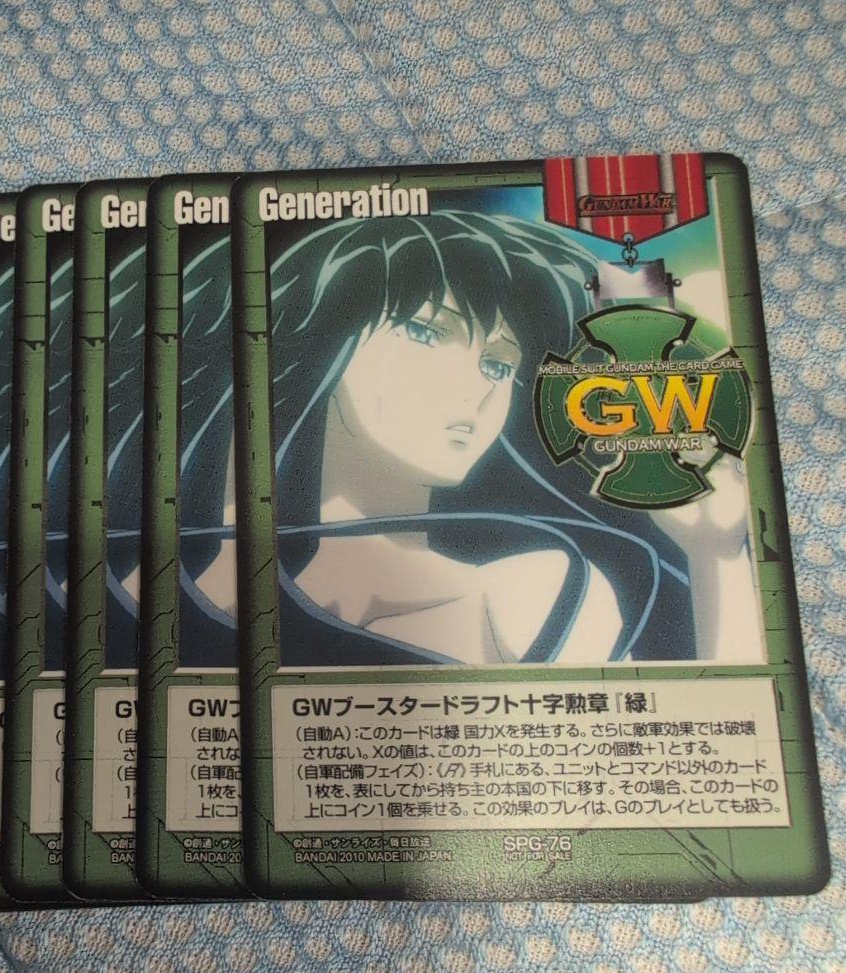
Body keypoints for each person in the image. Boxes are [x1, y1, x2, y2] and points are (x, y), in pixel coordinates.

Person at [191, 209, 762, 665]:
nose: (476, 389)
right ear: (332, 348)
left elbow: (712, 750)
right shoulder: (208, 565)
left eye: (497, 364)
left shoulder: (532, 591)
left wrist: (716, 557)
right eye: (424, 332)